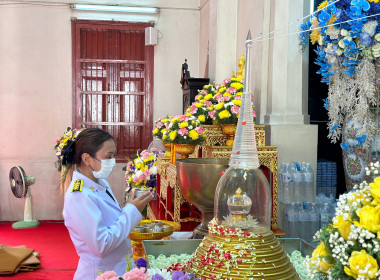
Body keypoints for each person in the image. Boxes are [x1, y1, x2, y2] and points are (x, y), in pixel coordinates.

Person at [62, 128, 153, 280]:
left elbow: (111, 220)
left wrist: (131, 206)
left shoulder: (100, 182)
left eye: (113, 156)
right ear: (86, 158)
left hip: (118, 268)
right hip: (98, 273)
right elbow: (101, 245)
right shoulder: (79, 195)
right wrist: (132, 210)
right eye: (108, 157)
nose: (112, 162)